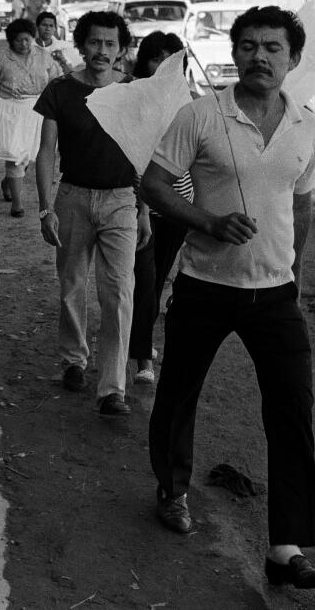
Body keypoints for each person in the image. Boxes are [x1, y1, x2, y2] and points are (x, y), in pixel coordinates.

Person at [142, 6, 315, 590]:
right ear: (235, 53)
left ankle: (285, 547)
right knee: (177, 394)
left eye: (273, 47)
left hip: (275, 294)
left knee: (292, 411)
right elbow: (151, 182)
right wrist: (207, 220)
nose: (260, 56)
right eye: (248, 45)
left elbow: (300, 203)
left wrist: (295, 269)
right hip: (205, 285)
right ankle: (172, 491)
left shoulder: (308, 124)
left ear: (293, 59)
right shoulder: (201, 114)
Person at [34, 11, 149, 415]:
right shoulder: (61, 90)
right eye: (95, 42)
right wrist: (47, 208)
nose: (102, 51)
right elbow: (47, 151)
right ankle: (72, 361)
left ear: (121, 50)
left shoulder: (134, 91)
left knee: (119, 292)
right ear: (81, 45)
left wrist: (145, 210)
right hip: (72, 198)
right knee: (71, 284)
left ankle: (112, 387)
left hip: (121, 200)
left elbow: (144, 153)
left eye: (110, 44)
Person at [125, 31, 189, 386]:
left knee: (157, 279)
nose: (163, 66)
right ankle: (142, 358)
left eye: (171, 60)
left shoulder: (187, 102)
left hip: (178, 207)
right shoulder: (134, 98)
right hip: (139, 204)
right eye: (156, 59)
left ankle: (139, 339)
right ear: (145, 61)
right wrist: (141, 207)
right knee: (144, 283)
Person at [0, 18, 57, 217]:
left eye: (27, 40)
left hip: (37, 111)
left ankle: (8, 182)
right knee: (14, 157)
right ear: (10, 41)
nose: (24, 44)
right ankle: (17, 204)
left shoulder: (44, 56)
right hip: (9, 111)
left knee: (27, 157)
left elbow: (57, 83)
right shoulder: (1, 59)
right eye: (19, 41)